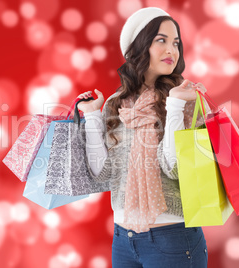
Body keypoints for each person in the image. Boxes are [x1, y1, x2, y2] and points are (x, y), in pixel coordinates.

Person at [77, 7, 209, 268]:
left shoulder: (186, 99)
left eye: (176, 42)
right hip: (123, 241)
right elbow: (103, 175)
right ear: (137, 46)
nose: (171, 49)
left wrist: (174, 106)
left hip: (173, 240)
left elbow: (175, 168)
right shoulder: (116, 103)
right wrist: (92, 116)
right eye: (161, 40)